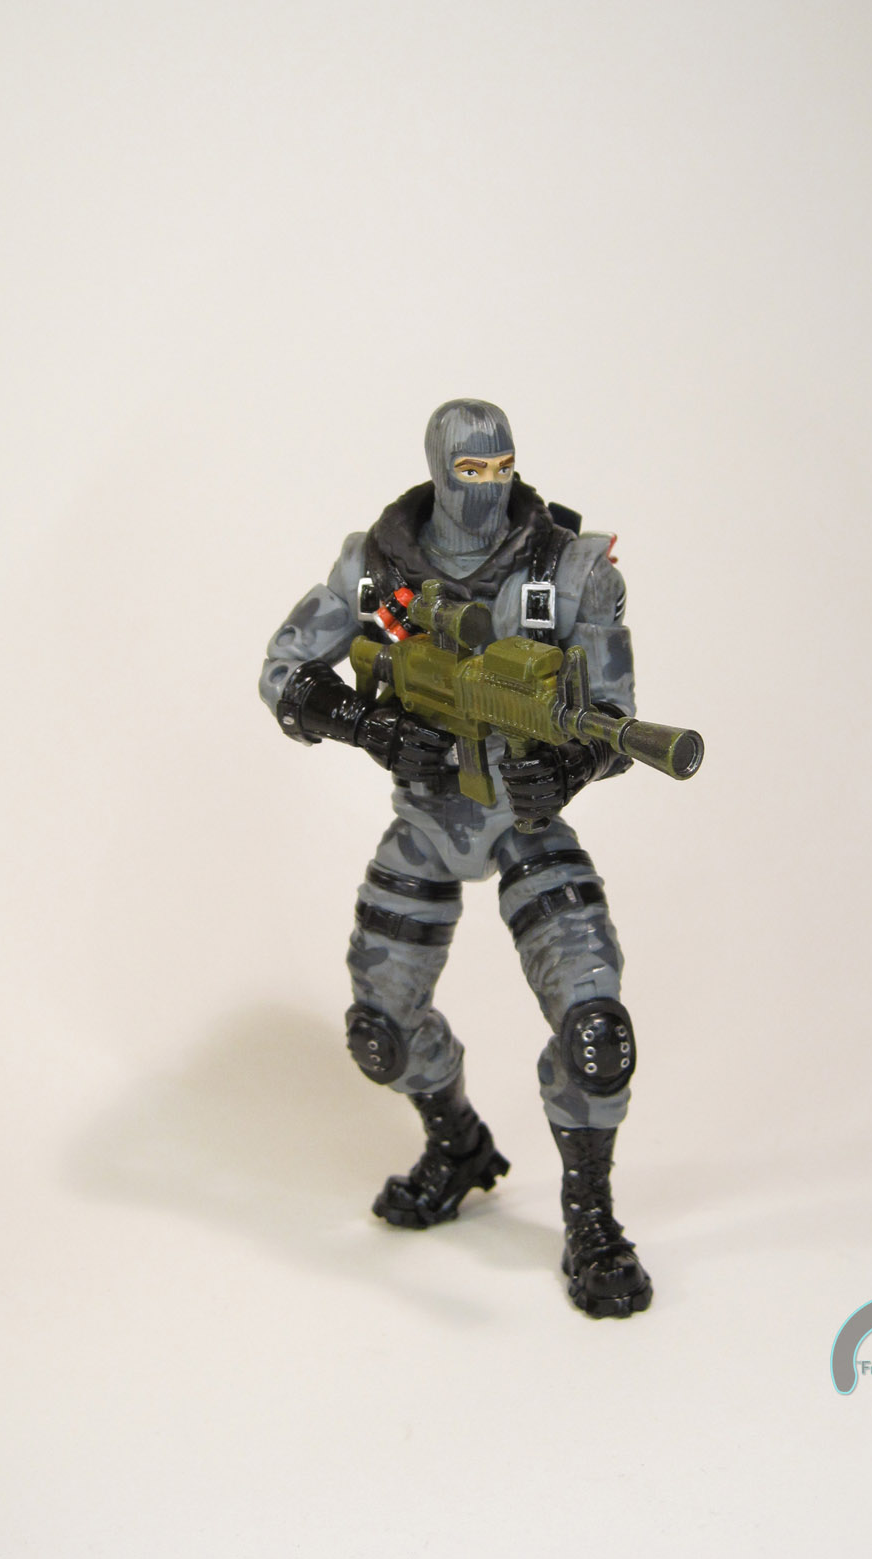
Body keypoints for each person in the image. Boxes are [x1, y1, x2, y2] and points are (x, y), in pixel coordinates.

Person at [260, 399, 651, 1316]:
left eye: (502, 467)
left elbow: (616, 716)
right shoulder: (373, 569)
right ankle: (457, 1144)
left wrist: (569, 766)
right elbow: (285, 669)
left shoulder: (570, 570)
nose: (488, 485)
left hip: (523, 824)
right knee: (381, 1031)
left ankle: (590, 1217)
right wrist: (367, 725)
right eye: (470, 471)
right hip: (429, 820)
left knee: (596, 1034)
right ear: (438, 469)